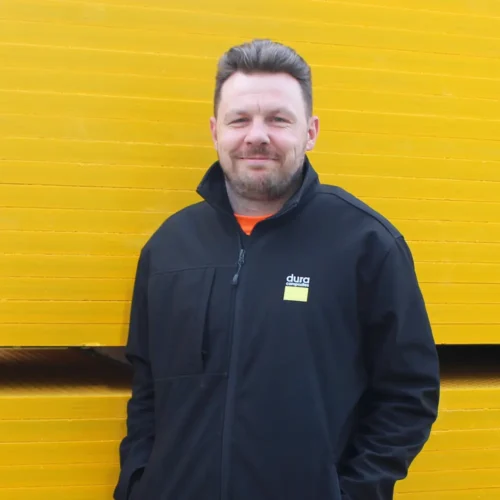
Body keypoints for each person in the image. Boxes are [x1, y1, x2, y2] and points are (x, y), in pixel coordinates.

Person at [114, 39, 440, 500]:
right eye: (239, 120)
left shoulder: (365, 245)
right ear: (215, 131)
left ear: (311, 131)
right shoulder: (169, 249)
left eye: (278, 119)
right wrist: (138, 483)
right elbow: (148, 390)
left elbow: (409, 394)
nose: (257, 136)